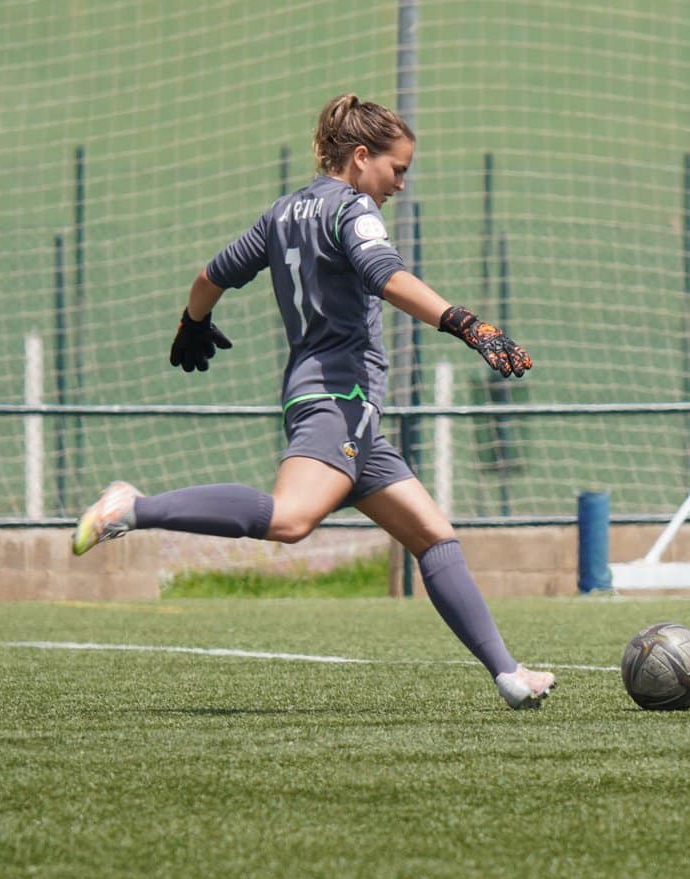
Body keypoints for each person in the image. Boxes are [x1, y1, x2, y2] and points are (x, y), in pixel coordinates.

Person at [72, 93, 555, 708]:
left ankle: (507, 675)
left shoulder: (281, 212)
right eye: (396, 170)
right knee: (292, 519)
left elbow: (211, 276)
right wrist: (466, 324)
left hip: (341, 408)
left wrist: (194, 322)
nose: (400, 185)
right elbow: (386, 275)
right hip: (340, 397)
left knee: (434, 538)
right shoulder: (354, 210)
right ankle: (132, 507)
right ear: (360, 157)